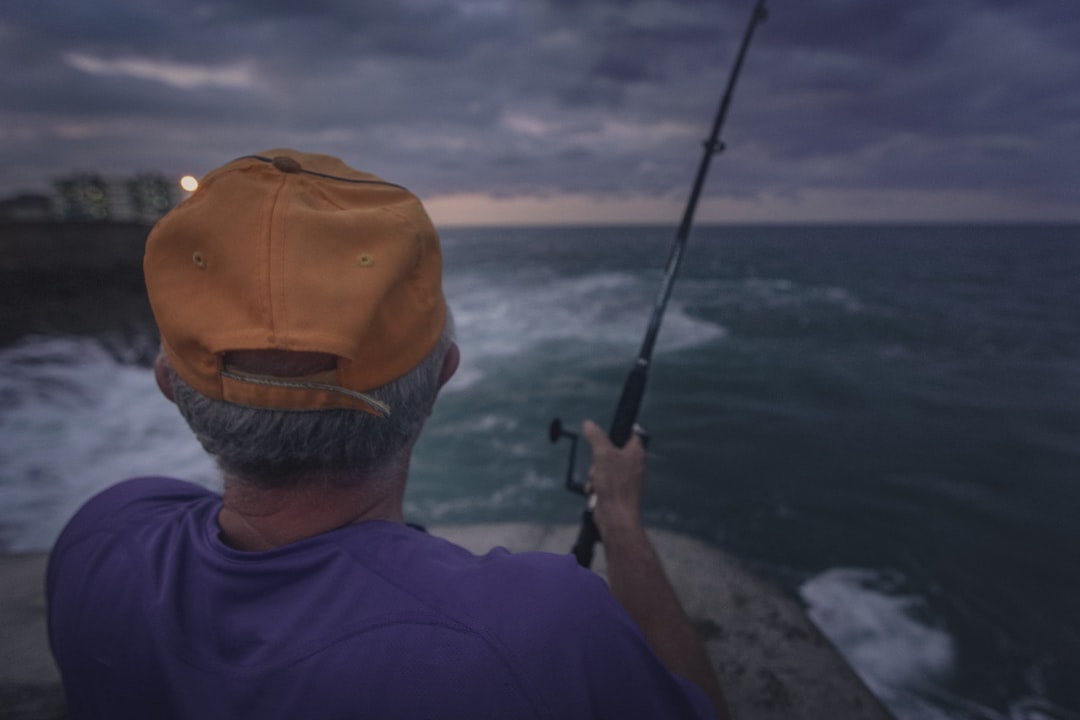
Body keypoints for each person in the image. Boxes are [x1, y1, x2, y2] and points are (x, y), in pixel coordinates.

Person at [46, 150, 729, 719]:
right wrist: (620, 521)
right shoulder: (534, 638)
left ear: (168, 383)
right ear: (441, 379)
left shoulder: (100, 538)